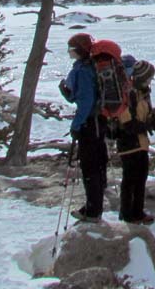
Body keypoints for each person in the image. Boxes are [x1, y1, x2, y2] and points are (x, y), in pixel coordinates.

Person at [59, 33, 107, 222]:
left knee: (90, 166)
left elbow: (86, 100)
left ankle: (93, 209)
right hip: (98, 121)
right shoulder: (91, 67)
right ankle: (95, 206)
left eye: (71, 49)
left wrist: (76, 124)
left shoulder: (83, 70)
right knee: (97, 164)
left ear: (79, 50)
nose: (69, 52)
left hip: (90, 123)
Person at [117, 59, 155, 224]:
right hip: (129, 143)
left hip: (140, 143)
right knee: (131, 180)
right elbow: (126, 122)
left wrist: (154, 121)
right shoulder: (129, 94)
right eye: (149, 78)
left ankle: (136, 212)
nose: (150, 81)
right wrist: (146, 125)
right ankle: (129, 214)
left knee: (140, 179)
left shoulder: (143, 93)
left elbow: (144, 116)